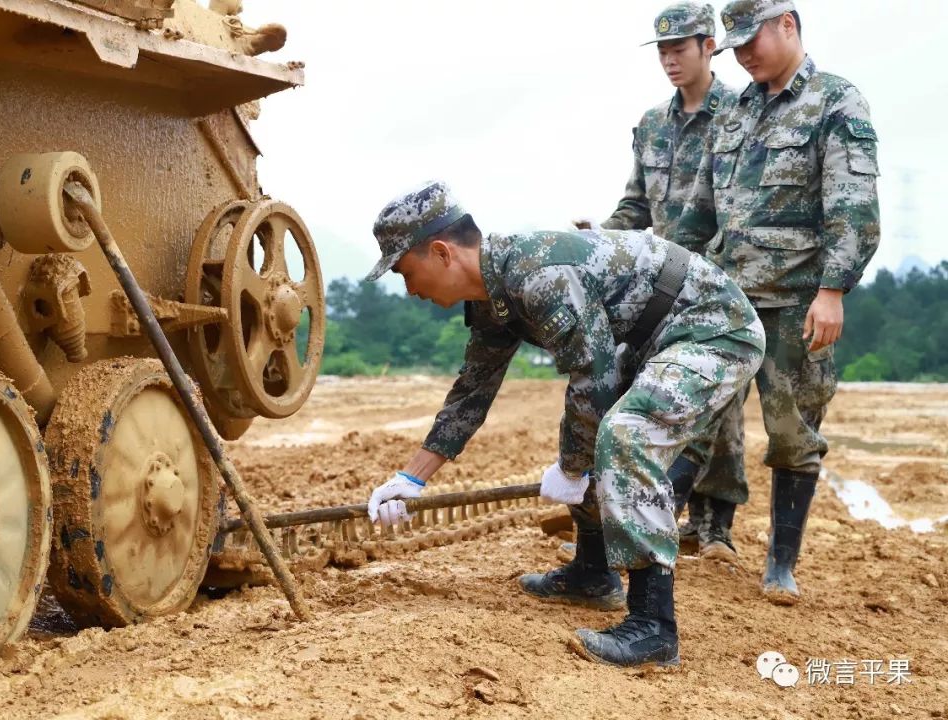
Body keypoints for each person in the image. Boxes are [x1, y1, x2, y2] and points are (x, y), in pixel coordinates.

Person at [363, 180, 765, 667]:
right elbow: (472, 391)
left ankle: (654, 629)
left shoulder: (540, 276)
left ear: (442, 252)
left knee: (624, 433)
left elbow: (593, 381)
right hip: (651, 341)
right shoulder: (492, 295)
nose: (410, 291)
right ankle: (593, 575)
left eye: (406, 272)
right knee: (591, 430)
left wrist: (573, 471)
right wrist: (410, 479)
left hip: (712, 329)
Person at [705, 0, 880, 603]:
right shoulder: (735, 111)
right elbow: (709, 208)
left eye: (753, 39)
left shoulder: (835, 100)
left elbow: (853, 206)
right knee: (696, 414)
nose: (745, 54)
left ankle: (780, 563)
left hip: (795, 301)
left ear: (788, 24)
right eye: (736, 46)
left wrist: (833, 290)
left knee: (791, 431)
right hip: (727, 297)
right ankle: (700, 534)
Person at [578, 1, 748, 563]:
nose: (670, 60)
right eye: (663, 51)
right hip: (655, 289)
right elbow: (634, 208)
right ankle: (652, 509)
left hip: (717, 281)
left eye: (681, 49)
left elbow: (745, 209)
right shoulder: (651, 124)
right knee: (646, 394)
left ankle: (713, 525)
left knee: (718, 406)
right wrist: (597, 242)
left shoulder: (742, 116)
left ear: (710, 46)